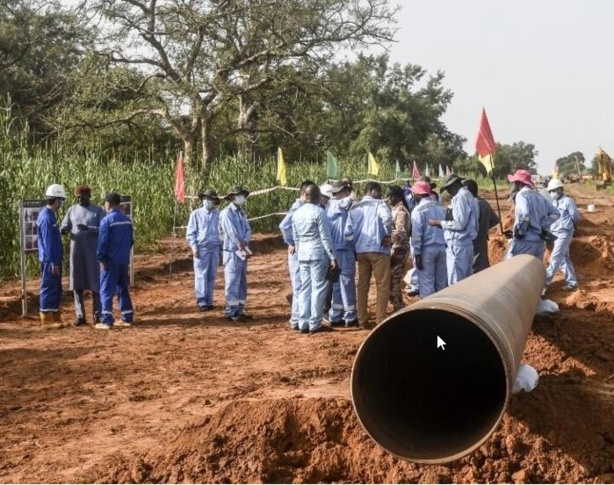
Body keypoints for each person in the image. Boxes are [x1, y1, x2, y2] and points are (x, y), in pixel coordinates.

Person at [345, 181, 392, 327]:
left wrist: (355, 244)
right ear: (372, 191)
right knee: (382, 285)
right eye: (379, 192)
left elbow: (348, 233)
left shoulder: (355, 208)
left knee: (362, 286)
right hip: (378, 250)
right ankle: (380, 319)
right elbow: (388, 219)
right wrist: (387, 235)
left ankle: (362, 319)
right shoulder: (379, 205)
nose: (381, 195)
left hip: (361, 252)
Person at [292, 184, 337, 334]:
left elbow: (296, 238)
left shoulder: (296, 213)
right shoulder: (319, 212)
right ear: (318, 196)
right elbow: (325, 237)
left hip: (303, 254)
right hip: (318, 253)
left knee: (305, 288)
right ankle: (315, 323)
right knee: (318, 287)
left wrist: (299, 252)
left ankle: (303, 322)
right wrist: (333, 257)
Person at [60, 185, 106, 326]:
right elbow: (64, 224)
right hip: (77, 253)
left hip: (92, 254)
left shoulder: (98, 210)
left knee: (95, 285)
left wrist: (90, 228)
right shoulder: (72, 210)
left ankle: (97, 315)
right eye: (78, 197)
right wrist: (64, 229)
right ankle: (80, 316)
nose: (80, 200)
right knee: (77, 285)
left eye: (83, 197)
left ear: (89, 196)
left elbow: (104, 228)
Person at [428, 173, 479, 285]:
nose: (449, 192)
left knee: (456, 283)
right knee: (466, 282)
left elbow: (460, 224)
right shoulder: (470, 196)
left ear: (453, 185)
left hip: (458, 246)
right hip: (466, 244)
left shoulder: (460, 198)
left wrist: (439, 222)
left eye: (448, 188)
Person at [279, 180, 314, 330]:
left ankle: (299, 317)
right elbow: (283, 225)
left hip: (303, 251)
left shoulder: (305, 206)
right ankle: (296, 319)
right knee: (299, 286)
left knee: (303, 285)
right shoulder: (298, 207)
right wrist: (291, 242)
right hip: (298, 252)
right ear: (303, 193)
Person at [96, 192, 134, 330]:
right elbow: (131, 241)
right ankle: (127, 317)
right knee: (123, 288)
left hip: (110, 262)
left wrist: (101, 258)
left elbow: (103, 242)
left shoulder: (107, 221)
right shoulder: (126, 220)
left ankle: (106, 320)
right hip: (123, 261)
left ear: (108, 204)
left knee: (106, 291)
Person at [505, 169, 559, 261]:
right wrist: (540, 224)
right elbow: (556, 213)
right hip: (539, 243)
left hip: (524, 242)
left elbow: (524, 214)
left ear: (519, 183)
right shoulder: (539, 196)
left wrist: (520, 232)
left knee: (514, 271)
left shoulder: (521, 195)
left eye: (515, 183)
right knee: (533, 272)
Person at [326, 180, 357, 327]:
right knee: (346, 283)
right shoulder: (334, 205)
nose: (347, 193)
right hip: (342, 249)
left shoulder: (339, 207)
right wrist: (350, 198)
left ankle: (336, 315)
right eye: (345, 191)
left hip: (338, 249)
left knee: (338, 283)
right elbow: (344, 203)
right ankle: (350, 316)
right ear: (338, 193)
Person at [219, 185, 252, 322]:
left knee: (242, 281)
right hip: (232, 252)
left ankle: (240, 309)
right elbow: (230, 232)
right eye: (238, 195)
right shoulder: (226, 213)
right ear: (232, 197)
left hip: (242, 251)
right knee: (232, 281)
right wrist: (240, 243)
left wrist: (245, 241)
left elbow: (248, 229)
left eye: (242, 195)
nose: (241, 198)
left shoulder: (241, 213)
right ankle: (231, 312)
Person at [410, 180, 447, 298]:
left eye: (414, 193)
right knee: (441, 282)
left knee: (426, 284)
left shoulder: (418, 210)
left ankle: (429, 312)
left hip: (427, 250)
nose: (413, 195)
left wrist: (417, 254)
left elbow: (416, 235)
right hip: (442, 249)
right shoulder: (441, 208)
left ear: (419, 194)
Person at [186, 189, 222, 311]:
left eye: (210, 199)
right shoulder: (196, 214)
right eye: (206, 198)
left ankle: (209, 299)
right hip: (202, 248)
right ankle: (201, 300)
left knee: (212, 275)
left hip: (215, 248)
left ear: (214, 201)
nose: (208, 201)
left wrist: (221, 248)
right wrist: (194, 247)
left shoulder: (218, 214)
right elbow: (191, 233)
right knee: (201, 275)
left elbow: (222, 232)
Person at [37, 184, 67, 328]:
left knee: (56, 287)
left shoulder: (50, 216)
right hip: (50, 260)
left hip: (54, 259)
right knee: (49, 287)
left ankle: (54, 315)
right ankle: (47, 318)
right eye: (61, 200)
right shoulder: (47, 218)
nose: (61, 204)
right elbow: (49, 243)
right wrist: (54, 262)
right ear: (56, 200)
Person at [545, 178, 580, 291]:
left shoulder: (568, 201)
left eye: (553, 190)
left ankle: (544, 282)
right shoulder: (554, 202)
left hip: (564, 233)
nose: (551, 193)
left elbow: (575, 216)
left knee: (555, 258)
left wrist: (571, 228)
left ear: (560, 190)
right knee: (564, 258)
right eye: (550, 191)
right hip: (556, 233)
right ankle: (572, 283)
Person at [462, 179, 500, 273]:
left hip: (471, 243)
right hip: (482, 241)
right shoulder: (484, 203)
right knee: (482, 270)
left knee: (472, 271)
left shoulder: (470, 205)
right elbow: (495, 220)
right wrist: (485, 227)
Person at [387, 185, 411, 312]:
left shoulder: (400, 211)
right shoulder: (396, 209)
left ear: (397, 196)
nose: (389, 198)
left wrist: (392, 250)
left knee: (393, 279)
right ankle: (398, 303)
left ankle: (398, 306)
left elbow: (400, 234)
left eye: (391, 196)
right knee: (393, 278)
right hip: (398, 247)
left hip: (399, 248)